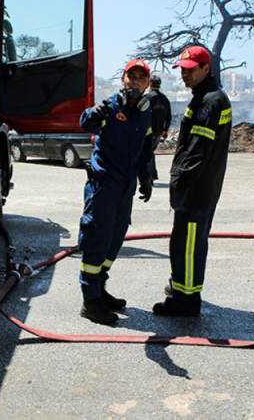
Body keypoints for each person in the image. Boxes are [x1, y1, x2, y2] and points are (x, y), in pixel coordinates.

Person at [153, 45, 232, 317]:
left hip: (196, 188)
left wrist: (180, 185)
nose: (184, 75)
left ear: (205, 69)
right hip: (204, 187)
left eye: (189, 71)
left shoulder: (208, 102)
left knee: (187, 245)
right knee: (188, 242)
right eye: (182, 70)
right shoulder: (208, 96)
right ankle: (182, 286)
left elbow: (195, 151)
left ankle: (185, 301)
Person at [77, 58, 154, 325]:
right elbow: (85, 122)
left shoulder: (146, 111)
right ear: (123, 79)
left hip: (126, 187)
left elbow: (146, 147)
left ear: (147, 83)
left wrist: (146, 176)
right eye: (130, 76)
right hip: (104, 184)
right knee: (97, 238)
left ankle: (101, 288)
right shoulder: (111, 104)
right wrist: (99, 110)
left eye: (140, 77)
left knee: (115, 238)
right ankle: (90, 301)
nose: (134, 81)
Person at [146, 75, 172, 180]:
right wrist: (165, 130)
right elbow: (168, 116)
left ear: (150, 84)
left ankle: (150, 175)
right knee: (150, 152)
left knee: (147, 152)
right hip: (158, 132)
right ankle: (152, 174)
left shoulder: (147, 98)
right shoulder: (164, 99)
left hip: (147, 132)